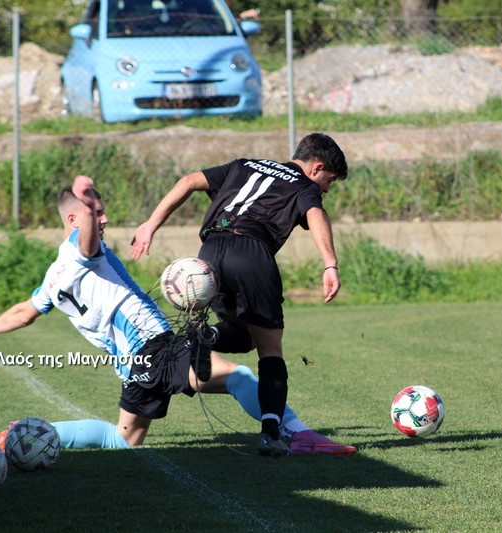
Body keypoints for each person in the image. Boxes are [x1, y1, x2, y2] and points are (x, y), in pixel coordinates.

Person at [0, 175, 356, 457]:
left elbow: (24, 313)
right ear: (74, 219)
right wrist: (88, 206)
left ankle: (28, 433)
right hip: (155, 349)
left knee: (121, 441)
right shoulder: (81, 248)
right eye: (97, 212)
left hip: (134, 366)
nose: (104, 218)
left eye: (101, 211)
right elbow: (88, 239)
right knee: (239, 377)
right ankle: (296, 433)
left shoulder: (55, 274)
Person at [130, 132, 348, 456]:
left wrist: (150, 224)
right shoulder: (305, 186)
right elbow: (316, 214)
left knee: (244, 336)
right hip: (252, 254)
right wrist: (330, 264)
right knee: (270, 348)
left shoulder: (244, 165)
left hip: (211, 251)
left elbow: (189, 181)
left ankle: (203, 337)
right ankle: (270, 435)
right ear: (316, 167)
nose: (326, 189)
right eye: (328, 180)